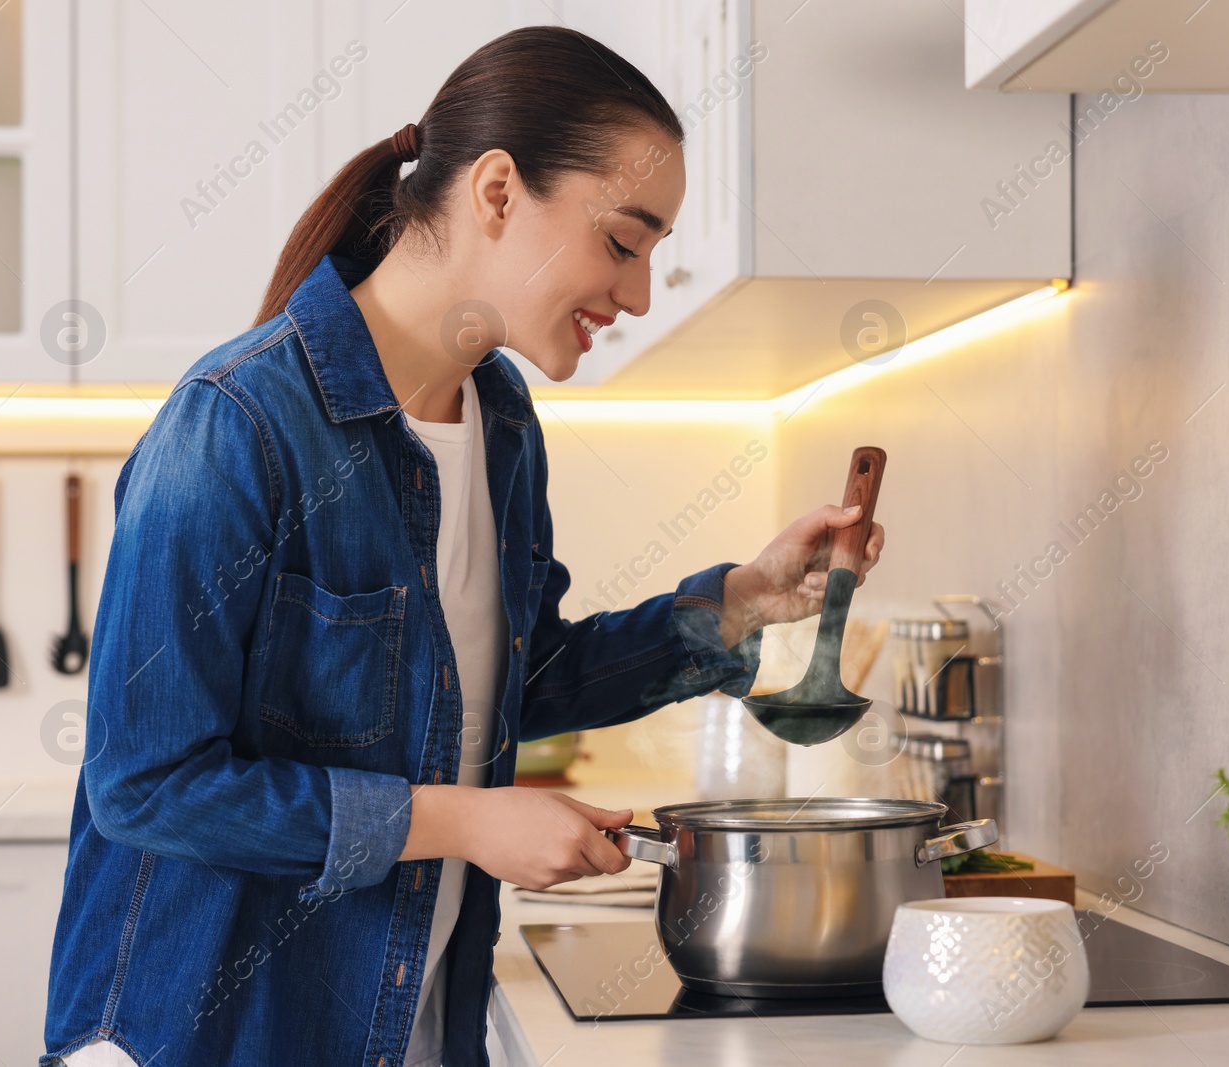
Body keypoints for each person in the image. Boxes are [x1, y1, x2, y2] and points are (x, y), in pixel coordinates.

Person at [43, 26, 884, 1067]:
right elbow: (148, 782)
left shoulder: (501, 419)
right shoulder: (235, 423)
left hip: (404, 1023)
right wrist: (464, 820)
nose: (637, 295)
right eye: (622, 242)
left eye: (655, 255)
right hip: (213, 1035)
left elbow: (513, 676)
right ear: (495, 192)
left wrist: (745, 601)